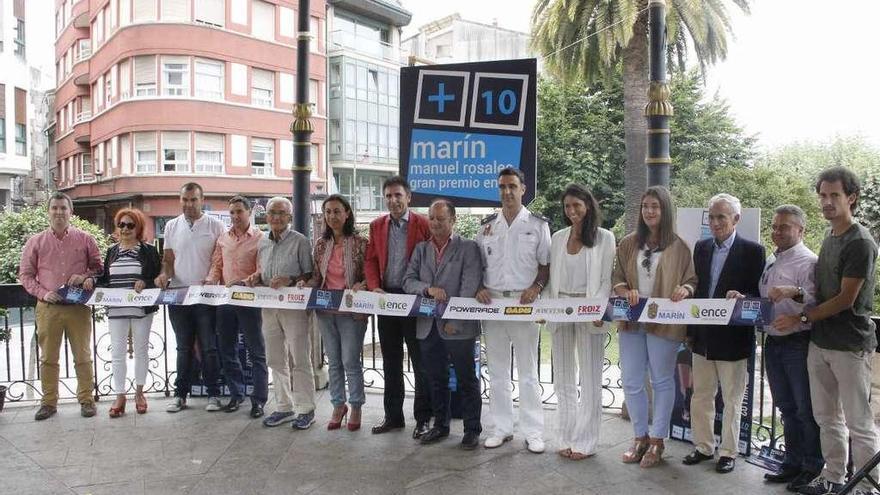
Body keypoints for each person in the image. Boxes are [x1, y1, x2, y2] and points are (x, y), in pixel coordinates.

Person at [773, 167, 879, 495]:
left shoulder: (860, 241)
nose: (827, 201)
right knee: (826, 417)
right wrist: (797, 294)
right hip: (820, 342)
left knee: (859, 423)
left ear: (852, 197)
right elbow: (823, 292)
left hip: (849, 344)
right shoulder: (829, 237)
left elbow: (846, 300)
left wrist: (801, 319)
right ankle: (833, 479)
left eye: (834, 195)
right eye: (823, 195)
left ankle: (865, 487)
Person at [612, 186, 697, 467]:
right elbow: (618, 277)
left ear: (665, 211)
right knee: (633, 381)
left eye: (655, 206)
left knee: (662, 380)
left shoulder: (679, 246)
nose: (649, 211)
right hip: (632, 321)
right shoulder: (627, 243)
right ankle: (640, 437)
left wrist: (685, 288)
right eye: (646, 206)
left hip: (665, 322)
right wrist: (625, 292)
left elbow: (692, 280)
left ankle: (658, 440)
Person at [683, 193, 765, 474]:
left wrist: (744, 296)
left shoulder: (754, 251)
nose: (715, 222)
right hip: (703, 337)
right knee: (701, 395)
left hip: (733, 338)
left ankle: (728, 451)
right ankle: (703, 446)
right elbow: (697, 287)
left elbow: (759, 294)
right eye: (712, 216)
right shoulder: (701, 247)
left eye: (721, 217)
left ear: (736, 219)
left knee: (732, 398)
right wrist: (690, 331)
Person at [476, 167, 551, 453]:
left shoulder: (537, 225)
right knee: (496, 371)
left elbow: (545, 265)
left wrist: (537, 288)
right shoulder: (487, 227)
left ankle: (533, 432)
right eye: (502, 187)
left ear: (523, 189)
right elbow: (477, 265)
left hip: (524, 304)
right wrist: (477, 289)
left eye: (512, 186)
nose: (507, 192)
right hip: (493, 304)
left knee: (528, 371)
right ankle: (502, 428)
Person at [403, 199, 484, 449]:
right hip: (427, 326)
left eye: (441, 219)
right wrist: (427, 289)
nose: (435, 223)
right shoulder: (420, 249)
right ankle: (440, 425)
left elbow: (469, 286)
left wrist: (455, 321)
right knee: (434, 379)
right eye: (432, 218)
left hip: (457, 327)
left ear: (453, 221)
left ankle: (472, 429)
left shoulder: (468, 247)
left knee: (466, 378)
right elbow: (408, 281)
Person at [755, 205, 823, 491]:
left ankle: (812, 468)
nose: (777, 231)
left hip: (797, 342)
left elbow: (816, 300)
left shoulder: (808, 262)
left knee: (805, 409)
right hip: (773, 342)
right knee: (786, 407)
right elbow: (766, 297)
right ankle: (791, 463)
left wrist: (792, 292)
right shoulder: (773, 259)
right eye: (774, 226)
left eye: (784, 227)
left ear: (800, 230)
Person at [20, 192, 103, 420]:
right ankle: (48, 403)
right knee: (48, 358)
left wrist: (86, 277)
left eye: (63, 208)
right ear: (48, 212)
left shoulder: (86, 239)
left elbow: (98, 268)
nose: (59, 212)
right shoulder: (35, 242)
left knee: (83, 356)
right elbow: (25, 276)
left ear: (71, 212)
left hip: (78, 307)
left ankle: (86, 400)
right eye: (54, 208)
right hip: (48, 309)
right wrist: (44, 293)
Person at [548, 184, 616, 460]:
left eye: (577, 205)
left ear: (588, 205)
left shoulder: (605, 238)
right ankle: (565, 436)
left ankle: (585, 441)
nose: (572, 211)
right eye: (567, 206)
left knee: (589, 378)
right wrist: (545, 306)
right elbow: (551, 278)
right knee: (562, 378)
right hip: (560, 310)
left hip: (590, 313)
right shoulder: (557, 237)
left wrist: (599, 310)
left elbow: (605, 280)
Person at [364, 176, 433, 438]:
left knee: (419, 361)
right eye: (389, 196)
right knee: (390, 361)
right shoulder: (376, 226)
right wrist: (374, 286)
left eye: (398, 195)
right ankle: (393, 417)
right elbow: (370, 260)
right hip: (386, 298)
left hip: (413, 299)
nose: (393, 201)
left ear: (409, 197)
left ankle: (423, 418)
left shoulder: (423, 224)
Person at [244, 196, 316, 429]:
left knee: (300, 357)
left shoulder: (300, 241)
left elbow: (310, 275)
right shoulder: (263, 241)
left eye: (280, 213)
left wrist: (291, 279)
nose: (275, 217)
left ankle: (305, 409)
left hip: (293, 306)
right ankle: (284, 406)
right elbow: (263, 270)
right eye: (271, 212)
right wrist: (257, 276)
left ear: (289, 217)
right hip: (269, 305)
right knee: (275, 358)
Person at [155, 182, 226, 413]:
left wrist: (212, 280)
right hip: (178, 297)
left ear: (201, 199)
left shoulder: (216, 225)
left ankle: (213, 394)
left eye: (193, 199)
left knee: (209, 347)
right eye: (185, 200)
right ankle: (180, 395)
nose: (189, 204)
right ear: (180, 200)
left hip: (206, 297)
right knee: (183, 348)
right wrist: (164, 275)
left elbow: (220, 261)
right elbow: (168, 260)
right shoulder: (171, 226)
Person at [300, 194, 368, 431]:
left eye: (337, 211)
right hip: (326, 310)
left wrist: (364, 284)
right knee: (335, 362)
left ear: (347, 213)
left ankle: (356, 405)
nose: (332, 216)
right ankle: (338, 405)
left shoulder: (360, 243)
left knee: (350, 361)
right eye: (327, 212)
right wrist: (306, 284)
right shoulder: (321, 244)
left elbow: (370, 274)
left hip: (352, 312)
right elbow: (317, 278)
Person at [205, 195, 268, 418]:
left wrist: (245, 281)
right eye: (231, 212)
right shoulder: (223, 238)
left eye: (239, 212)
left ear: (249, 212)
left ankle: (259, 400)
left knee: (256, 351)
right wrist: (210, 280)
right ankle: (236, 394)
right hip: (225, 301)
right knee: (227, 349)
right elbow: (216, 265)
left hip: (250, 301)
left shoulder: (261, 238)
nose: (235, 216)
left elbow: (262, 271)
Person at [95, 208, 161, 417]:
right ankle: (120, 395)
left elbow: (158, 279)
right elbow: (105, 279)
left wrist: (146, 282)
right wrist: (90, 280)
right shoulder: (111, 251)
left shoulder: (149, 251)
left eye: (130, 225)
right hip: (117, 309)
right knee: (117, 353)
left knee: (141, 351)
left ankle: (140, 393)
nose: (125, 229)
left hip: (142, 309)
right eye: (121, 225)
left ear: (138, 227)